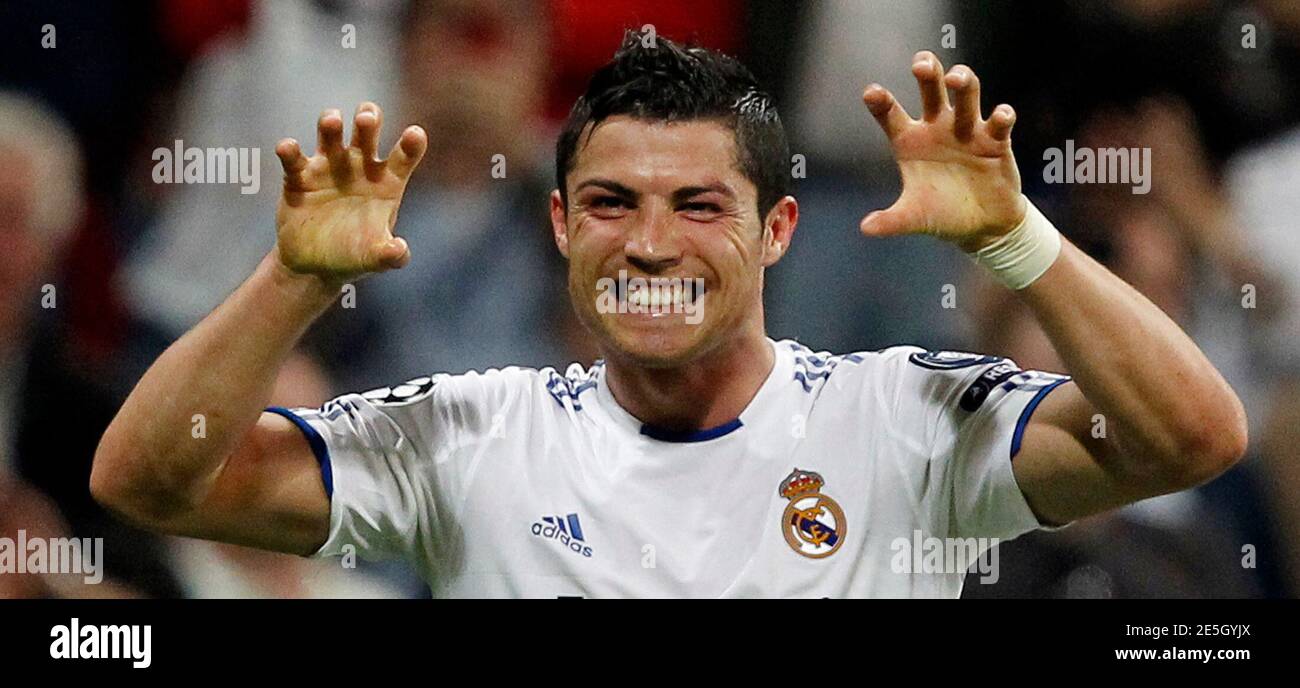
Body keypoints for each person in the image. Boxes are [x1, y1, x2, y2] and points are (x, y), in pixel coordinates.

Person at [90, 34, 1247, 598]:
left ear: (778, 232)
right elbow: (155, 481)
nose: (649, 242)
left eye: (699, 204)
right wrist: (289, 279)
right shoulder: (467, 435)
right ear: (557, 226)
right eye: (610, 202)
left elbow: (1192, 434)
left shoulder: (902, 418)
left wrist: (1018, 241)